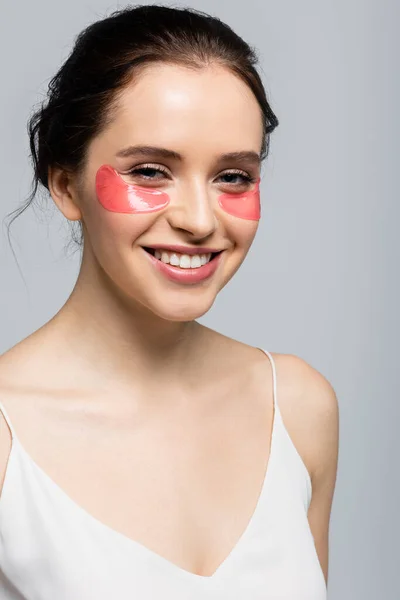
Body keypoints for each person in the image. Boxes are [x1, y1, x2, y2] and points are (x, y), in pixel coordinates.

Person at [0, 4, 339, 598]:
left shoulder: (299, 406)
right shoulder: (7, 437)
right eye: (152, 171)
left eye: (233, 176)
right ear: (64, 185)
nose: (200, 220)